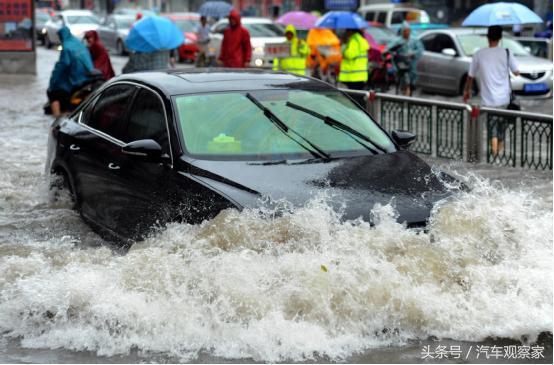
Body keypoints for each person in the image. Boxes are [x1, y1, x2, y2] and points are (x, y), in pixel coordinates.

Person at [463, 25, 520, 157]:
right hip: (504, 100)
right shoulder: (507, 52)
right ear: (500, 38)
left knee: (492, 131)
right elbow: (517, 72)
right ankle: (498, 156)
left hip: (488, 101)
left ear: (487, 38)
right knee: (501, 130)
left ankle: (493, 157)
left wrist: (467, 92)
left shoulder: (479, 54)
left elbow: (470, 76)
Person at [47, 26, 94, 118]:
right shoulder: (78, 43)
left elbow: (63, 64)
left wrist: (53, 81)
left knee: (54, 94)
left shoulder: (67, 47)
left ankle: (56, 118)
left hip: (77, 79)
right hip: (89, 75)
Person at [386, 22, 423, 96]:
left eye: (408, 30)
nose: (407, 32)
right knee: (402, 78)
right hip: (400, 63)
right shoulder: (397, 41)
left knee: (412, 78)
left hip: (411, 64)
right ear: (402, 31)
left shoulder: (414, 40)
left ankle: (410, 90)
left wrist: (413, 53)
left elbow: (420, 49)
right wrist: (394, 54)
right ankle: (403, 90)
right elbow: (389, 49)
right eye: (405, 31)